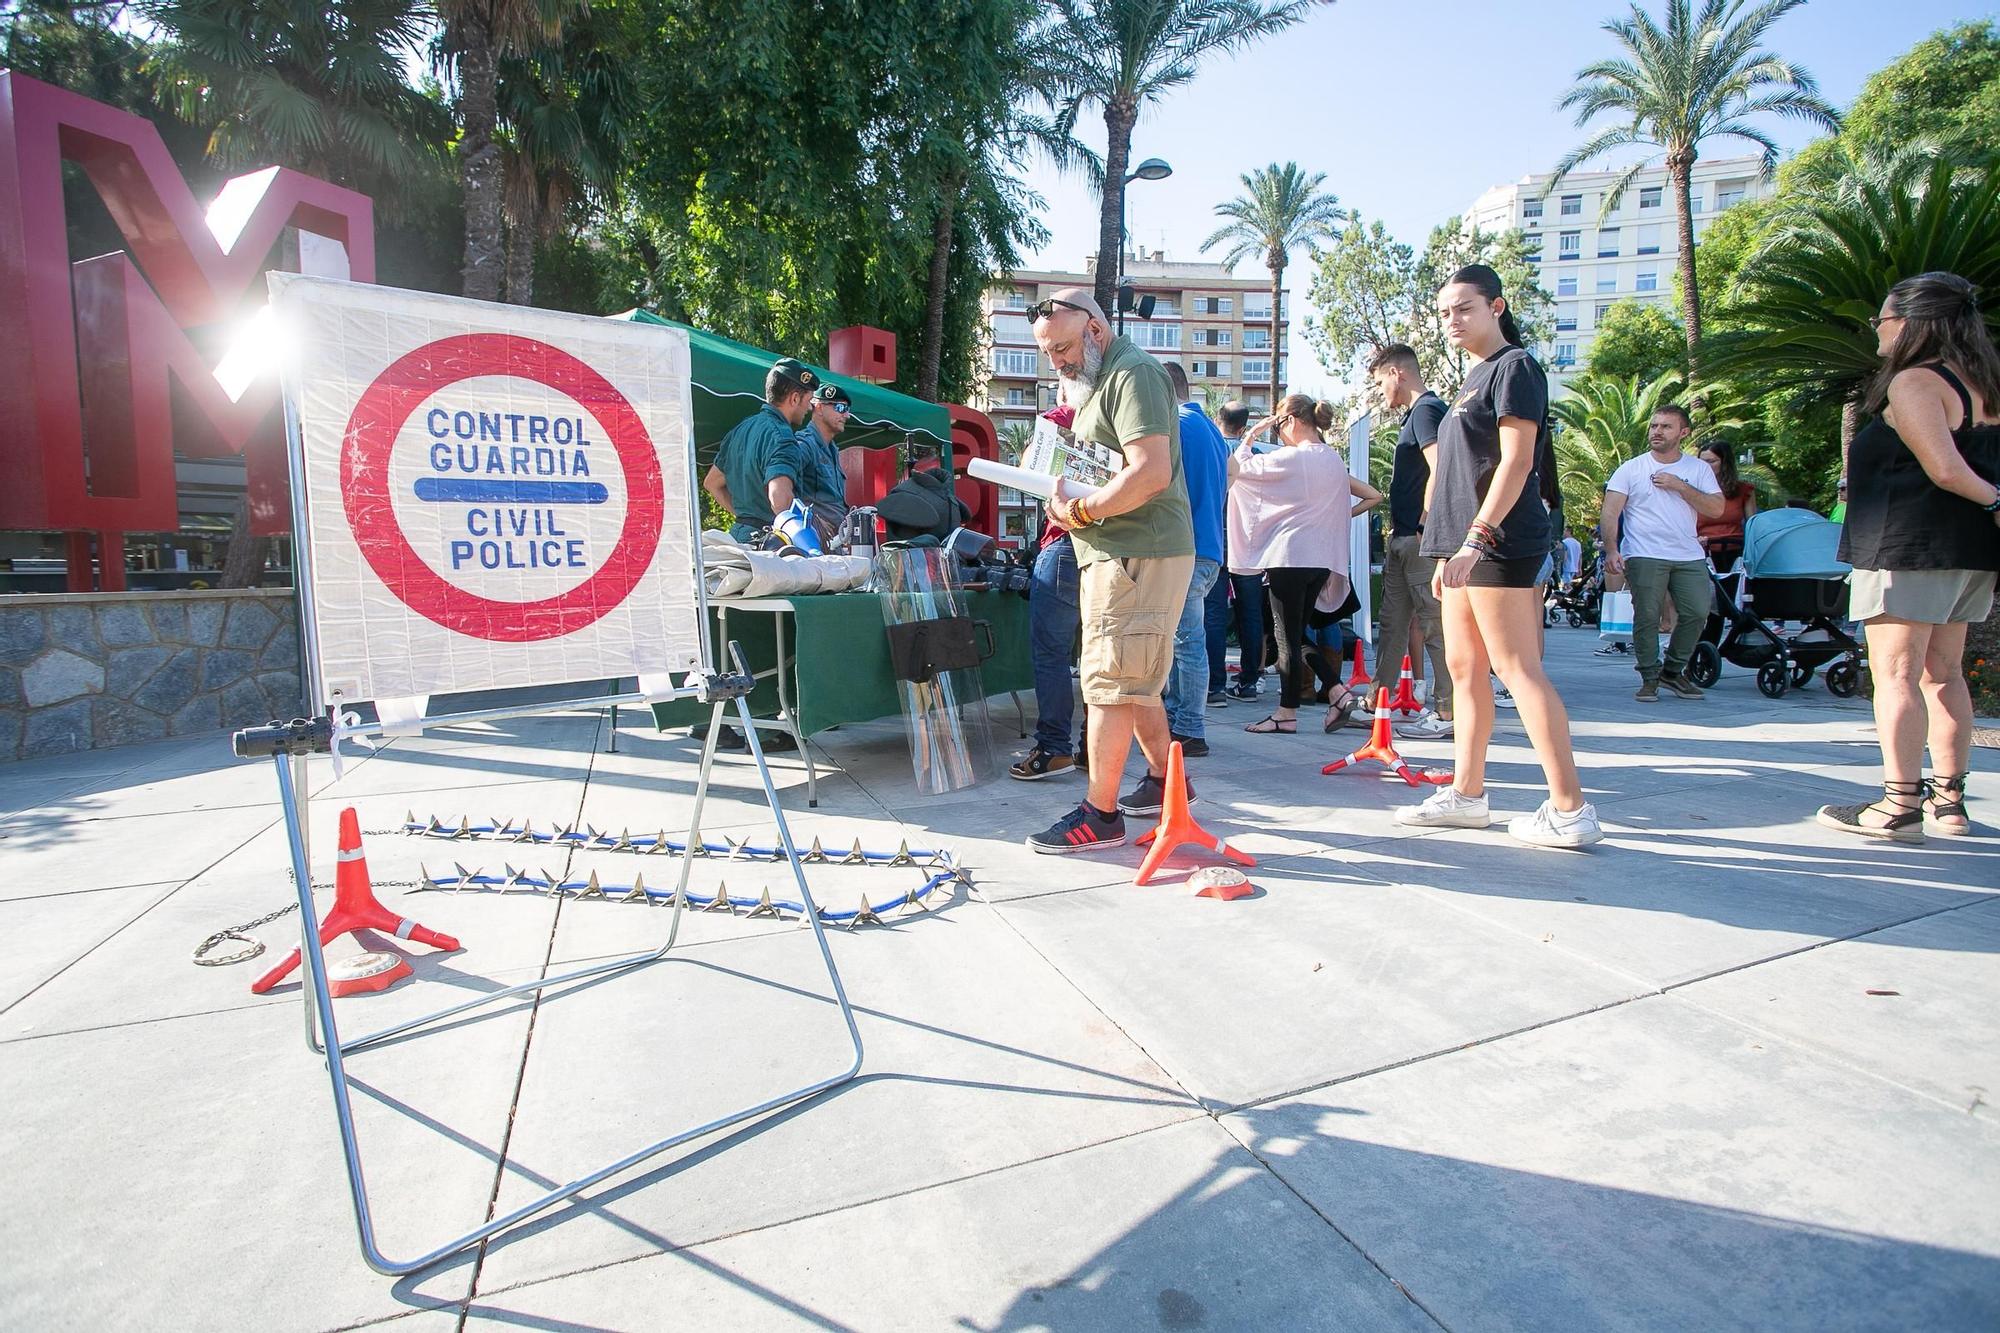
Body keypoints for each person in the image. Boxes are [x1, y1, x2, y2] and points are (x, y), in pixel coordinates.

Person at [1396, 264, 1601, 848]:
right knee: (1463, 671)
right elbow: (1461, 473)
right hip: (1459, 548)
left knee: (1517, 668)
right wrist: (1445, 550)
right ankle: (1467, 795)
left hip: (1500, 542)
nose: (1452, 320)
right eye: (1444, 312)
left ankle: (1571, 809)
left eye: (1464, 307)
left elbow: (1516, 463)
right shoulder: (1472, 379)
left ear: (1497, 306)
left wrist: (1477, 538)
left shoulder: (1515, 368)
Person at [1817, 271, 2000, 842]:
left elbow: (1945, 469)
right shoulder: (1982, 383)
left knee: (1896, 674)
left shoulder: (1917, 382)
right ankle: (1950, 804)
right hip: (1968, 551)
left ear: (1914, 322)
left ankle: (1898, 803)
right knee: (1943, 675)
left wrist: (1997, 499)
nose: (1878, 326)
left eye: (1885, 316)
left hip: (1909, 546)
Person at [1025, 289, 1196, 854]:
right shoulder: (1108, 380)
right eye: (1050, 353)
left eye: (1065, 348)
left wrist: (1078, 510)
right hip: (1125, 552)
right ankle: (1169, 781)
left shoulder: (1133, 375)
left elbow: (1149, 473)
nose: (1059, 362)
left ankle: (1101, 815)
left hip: (1134, 553)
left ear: (1096, 330)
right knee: (1134, 682)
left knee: (1107, 688)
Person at [1226, 394, 1381, 735]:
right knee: (1293, 634)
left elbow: (1238, 471)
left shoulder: (1291, 459)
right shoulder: (1333, 461)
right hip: (1321, 560)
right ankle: (1337, 692)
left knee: (1286, 636)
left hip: (1290, 557)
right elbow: (1362, 497)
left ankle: (1287, 712)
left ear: (1293, 421)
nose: (1279, 434)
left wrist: (1250, 438)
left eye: (1279, 426)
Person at [1601, 404, 1724, 702]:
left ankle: (1673, 671)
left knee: (1696, 611)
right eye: (1654, 425)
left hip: (1688, 554)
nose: (1657, 431)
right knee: (1647, 616)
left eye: (1666, 426)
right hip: (1644, 553)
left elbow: (1717, 508)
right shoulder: (1631, 468)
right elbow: (1610, 511)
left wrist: (1681, 487)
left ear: (1683, 433)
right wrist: (1612, 549)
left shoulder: (1698, 469)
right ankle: (1649, 677)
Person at [1369, 343, 1454, 741]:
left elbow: (1440, 468)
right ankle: (1377, 702)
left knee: (1435, 626)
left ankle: (1448, 710)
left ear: (1396, 374)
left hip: (1418, 541)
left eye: (1379, 382)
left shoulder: (1427, 411)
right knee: (1392, 625)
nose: (1381, 392)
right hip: (1403, 539)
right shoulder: (1416, 414)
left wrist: (1424, 526)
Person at [1010, 404, 1084, 782]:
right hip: (1107, 548)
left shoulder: (1065, 415)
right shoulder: (1119, 417)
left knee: (1052, 654)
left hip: (1064, 543)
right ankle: (1092, 745)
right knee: (1096, 658)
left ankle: (1054, 747)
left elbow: (1029, 469)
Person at [1161, 362, 1229, 757]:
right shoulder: (1213, 433)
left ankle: (1189, 727)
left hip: (1185, 548)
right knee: (1183, 640)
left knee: (1187, 642)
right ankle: (1179, 720)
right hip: (1209, 549)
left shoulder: (1176, 427)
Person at [704, 358, 818, 540]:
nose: (810, 407)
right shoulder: (783, 437)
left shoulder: (740, 430)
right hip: (769, 548)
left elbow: (712, 483)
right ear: (795, 398)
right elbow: (779, 501)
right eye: (809, 400)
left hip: (739, 538)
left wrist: (747, 517)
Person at [1208, 401, 1268, 701]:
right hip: (1248, 544)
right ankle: (1248, 682)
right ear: (1244, 427)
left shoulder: (1212, 449)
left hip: (1216, 541)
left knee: (1214, 614)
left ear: (1218, 420)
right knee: (1251, 615)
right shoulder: (1254, 456)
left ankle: (1215, 685)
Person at [794, 383, 854, 518]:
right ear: (819, 408)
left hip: (835, 535)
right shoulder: (805, 444)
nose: (847, 415)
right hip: (813, 534)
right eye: (840, 408)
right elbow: (779, 483)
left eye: (847, 409)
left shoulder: (832, 450)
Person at [1695, 444, 1756, 570]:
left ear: (1725, 463)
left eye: (1711, 461)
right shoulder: (1690, 489)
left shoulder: (1744, 490)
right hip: (1700, 550)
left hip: (1735, 549)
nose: (1705, 466)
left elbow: (1753, 525)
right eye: (1701, 462)